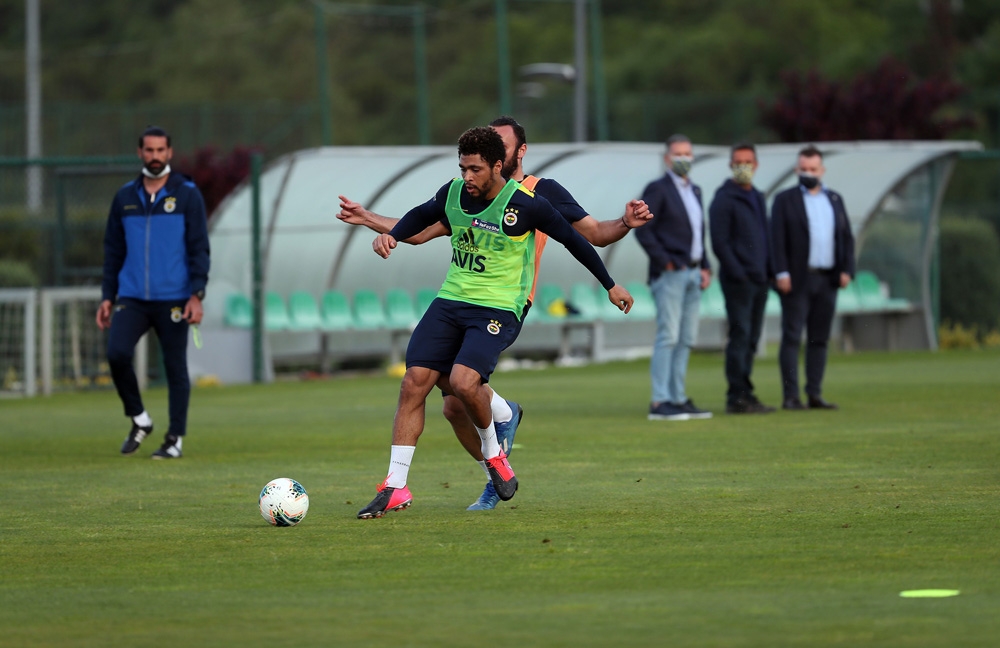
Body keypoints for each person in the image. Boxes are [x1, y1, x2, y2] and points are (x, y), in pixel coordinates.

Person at [338, 115, 651, 511]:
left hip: (500, 306)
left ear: (505, 159)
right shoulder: (454, 194)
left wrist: (610, 283)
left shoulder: (533, 199)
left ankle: (494, 458)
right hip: (452, 300)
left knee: (463, 385)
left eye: (476, 167)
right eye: (463, 167)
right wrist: (387, 232)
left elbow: (580, 239)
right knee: (418, 383)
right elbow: (420, 223)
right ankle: (397, 485)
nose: (467, 175)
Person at [96, 126, 210, 459]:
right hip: (131, 297)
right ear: (140, 152)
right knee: (117, 354)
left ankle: (174, 438)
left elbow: (199, 249)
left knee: (175, 368)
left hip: (174, 296)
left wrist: (196, 294)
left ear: (170, 153)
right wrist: (107, 295)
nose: (155, 156)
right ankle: (140, 419)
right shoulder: (125, 197)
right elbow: (113, 250)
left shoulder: (187, 194)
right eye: (149, 150)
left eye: (161, 150)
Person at [770, 145, 855, 410]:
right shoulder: (785, 199)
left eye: (813, 169)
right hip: (797, 279)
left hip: (827, 279)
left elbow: (846, 238)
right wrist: (781, 272)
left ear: (822, 170)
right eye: (803, 169)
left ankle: (815, 394)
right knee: (793, 337)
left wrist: (847, 269)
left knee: (820, 339)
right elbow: (776, 240)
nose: (808, 173)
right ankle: (791, 396)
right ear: (797, 170)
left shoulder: (835, 199)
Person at [635, 134, 712, 421]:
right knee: (669, 336)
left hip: (693, 272)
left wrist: (705, 266)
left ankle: (678, 397)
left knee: (686, 337)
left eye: (688, 153)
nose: (684, 159)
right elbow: (644, 229)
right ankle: (660, 401)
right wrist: (665, 261)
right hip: (671, 273)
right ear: (667, 158)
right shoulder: (658, 188)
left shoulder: (696, 190)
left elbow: (698, 233)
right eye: (678, 154)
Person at [708, 143, 775, 414]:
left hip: (760, 280)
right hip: (739, 281)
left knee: (751, 338)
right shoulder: (724, 199)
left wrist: (768, 271)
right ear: (731, 165)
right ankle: (736, 396)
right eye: (738, 161)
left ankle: (746, 392)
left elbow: (764, 237)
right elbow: (720, 242)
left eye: (748, 161)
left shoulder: (757, 196)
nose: (743, 166)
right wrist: (739, 271)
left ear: (756, 165)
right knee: (740, 336)